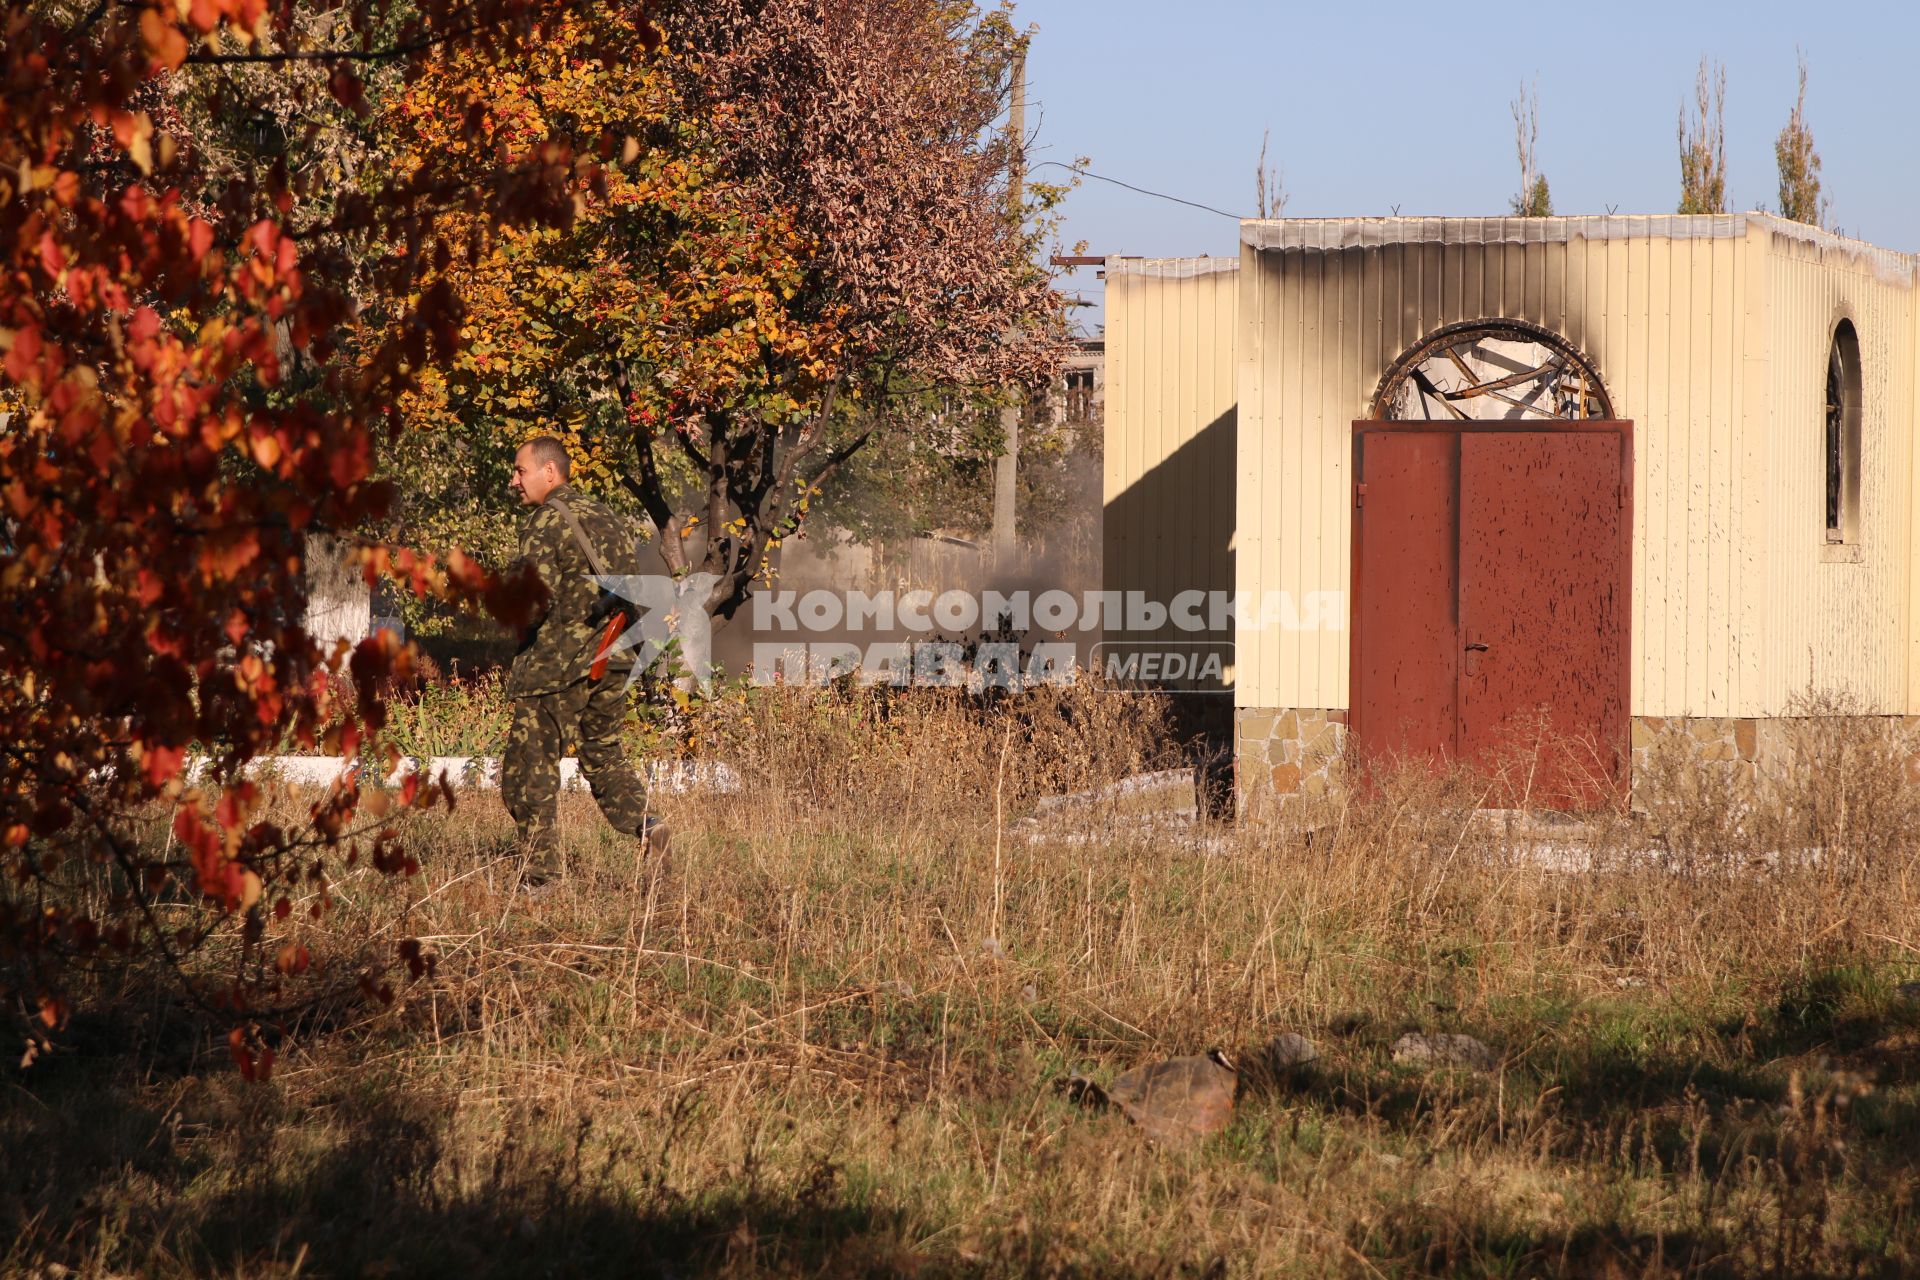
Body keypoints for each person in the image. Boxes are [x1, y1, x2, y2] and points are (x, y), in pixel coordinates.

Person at [501, 436, 669, 887]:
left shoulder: (544, 522)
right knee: (602, 753)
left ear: (549, 472)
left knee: (528, 771)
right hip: (613, 654)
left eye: (521, 471)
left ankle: (540, 879)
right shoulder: (605, 515)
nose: (514, 481)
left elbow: (533, 603)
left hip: (559, 664)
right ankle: (648, 826)